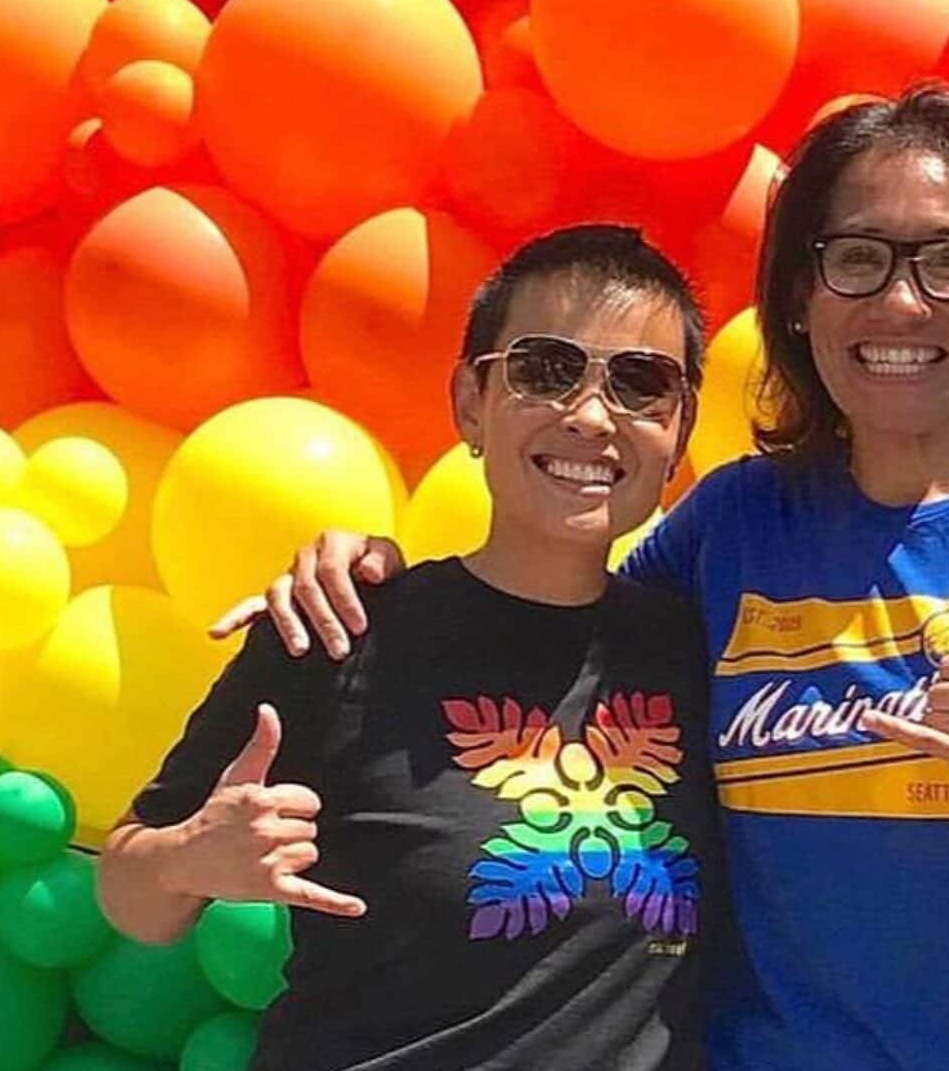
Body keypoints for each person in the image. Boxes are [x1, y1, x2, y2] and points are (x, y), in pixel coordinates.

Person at [221, 84, 949, 1071]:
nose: (900, 302)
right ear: (801, 303)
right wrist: (374, 576)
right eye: (855, 258)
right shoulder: (731, 526)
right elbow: (547, 608)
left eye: (948, 262)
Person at [96, 226, 723, 1071]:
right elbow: (131, 896)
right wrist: (188, 859)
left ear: (679, 433)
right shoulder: (344, 627)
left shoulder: (701, 647)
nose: (589, 415)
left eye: (642, 384)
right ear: (471, 402)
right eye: (546, 369)